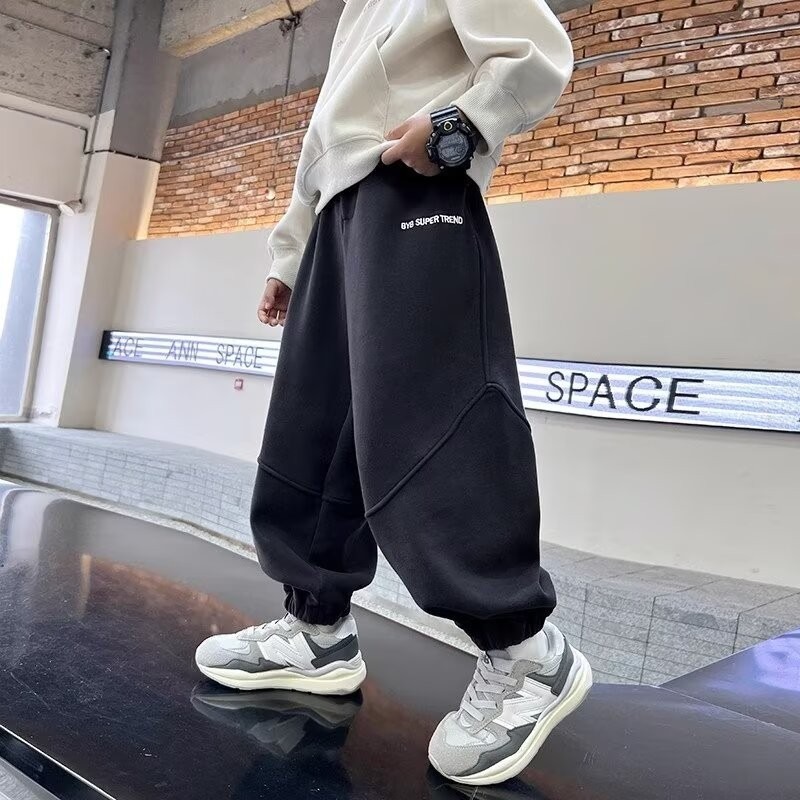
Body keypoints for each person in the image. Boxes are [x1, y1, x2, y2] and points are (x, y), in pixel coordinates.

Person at [196, 0, 593, 786]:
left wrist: (457, 125)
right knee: (314, 430)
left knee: (428, 422)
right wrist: (291, 251)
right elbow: (327, 129)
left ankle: (526, 651)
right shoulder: (355, 10)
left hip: (413, 184)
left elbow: (537, 51)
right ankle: (318, 630)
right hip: (338, 213)